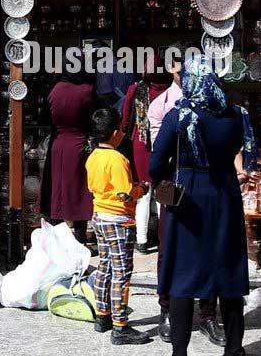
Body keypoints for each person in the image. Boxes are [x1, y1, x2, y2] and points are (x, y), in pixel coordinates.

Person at [149, 54, 258, 356]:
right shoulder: (237, 115)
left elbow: (156, 162)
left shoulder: (179, 115)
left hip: (189, 199)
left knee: (184, 275)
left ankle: (180, 351)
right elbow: (248, 151)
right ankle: (234, 348)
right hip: (225, 194)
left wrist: (164, 178)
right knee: (229, 270)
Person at [146, 49, 224, 347]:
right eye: (180, 68)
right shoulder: (162, 105)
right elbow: (158, 153)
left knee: (209, 248)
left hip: (207, 185)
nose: (184, 73)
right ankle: (167, 309)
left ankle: (207, 313)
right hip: (176, 185)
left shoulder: (216, 103)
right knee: (169, 249)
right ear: (171, 69)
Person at [85, 107, 151, 345]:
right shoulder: (118, 159)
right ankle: (120, 326)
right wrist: (142, 189)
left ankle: (102, 316)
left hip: (100, 216)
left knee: (104, 267)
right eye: (121, 130)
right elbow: (125, 194)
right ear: (115, 133)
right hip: (118, 220)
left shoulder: (93, 156)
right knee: (122, 272)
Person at [120, 55, 170, 253]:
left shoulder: (136, 89)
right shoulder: (169, 90)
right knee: (162, 191)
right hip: (164, 144)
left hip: (140, 144)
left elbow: (125, 119)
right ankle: (163, 238)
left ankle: (141, 240)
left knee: (143, 192)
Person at [45, 71, 96, 242]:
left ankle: (56, 240)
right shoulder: (87, 91)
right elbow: (94, 119)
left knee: (57, 190)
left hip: (58, 145)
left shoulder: (55, 90)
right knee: (79, 192)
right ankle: (79, 239)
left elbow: (46, 118)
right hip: (79, 146)